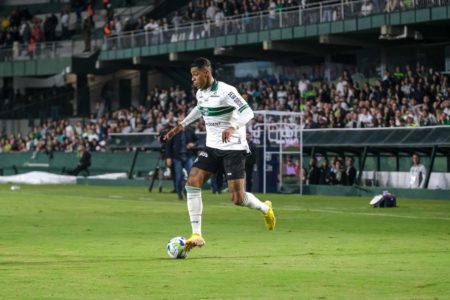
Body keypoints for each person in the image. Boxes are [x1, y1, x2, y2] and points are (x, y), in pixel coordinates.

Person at [164, 57, 276, 252]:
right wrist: (181, 125)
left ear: (206, 73)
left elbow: (248, 112)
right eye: (192, 76)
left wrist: (233, 127)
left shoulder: (227, 91)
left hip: (233, 149)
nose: (193, 79)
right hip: (212, 147)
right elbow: (200, 109)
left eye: (195, 75)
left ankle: (265, 209)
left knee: (237, 199)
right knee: (192, 182)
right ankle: (196, 234)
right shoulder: (200, 93)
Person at [165, 124, 198, 200]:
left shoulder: (190, 131)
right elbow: (168, 145)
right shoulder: (173, 132)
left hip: (187, 156)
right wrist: (168, 157)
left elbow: (197, 140)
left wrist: (193, 144)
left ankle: (187, 191)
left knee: (192, 175)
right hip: (177, 157)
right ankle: (179, 192)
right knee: (179, 177)